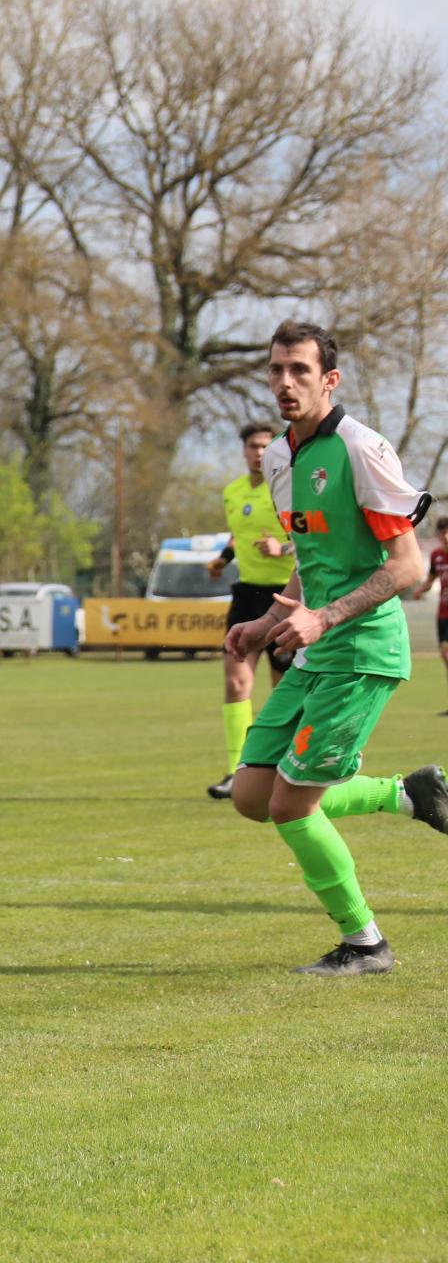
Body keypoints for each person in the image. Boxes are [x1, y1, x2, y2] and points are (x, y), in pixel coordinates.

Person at [225, 319, 448, 976]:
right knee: (250, 795)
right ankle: (406, 795)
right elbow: (310, 559)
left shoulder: (361, 449)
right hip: (317, 650)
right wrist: (269, 620)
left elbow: (406, 566)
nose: (285, 382)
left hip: (362, 651)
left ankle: (365, 943)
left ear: (330, 379)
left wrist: (324, 619)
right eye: (276, 369)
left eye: (299, 370)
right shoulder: (279, 457)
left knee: (291, 805)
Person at [204, 423, 297, 799]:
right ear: (243, 451)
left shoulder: (289, 486)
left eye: (264, 446)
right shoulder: (233, 492)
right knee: (235, 683)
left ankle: (283, 768)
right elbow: (237, 534)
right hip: (246, 595)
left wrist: (282, 549)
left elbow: (311, 537)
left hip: (286, 596)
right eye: (252, 446)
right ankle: (235, 770)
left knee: (282, 688)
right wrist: (222, 559)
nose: (259, 452)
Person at [411, 516, 448, 713]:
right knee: (445, 655)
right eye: (442, 533)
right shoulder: (436, 556)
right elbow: (430, 580)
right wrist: (419, 590)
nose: (446, 536)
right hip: (443, 613)